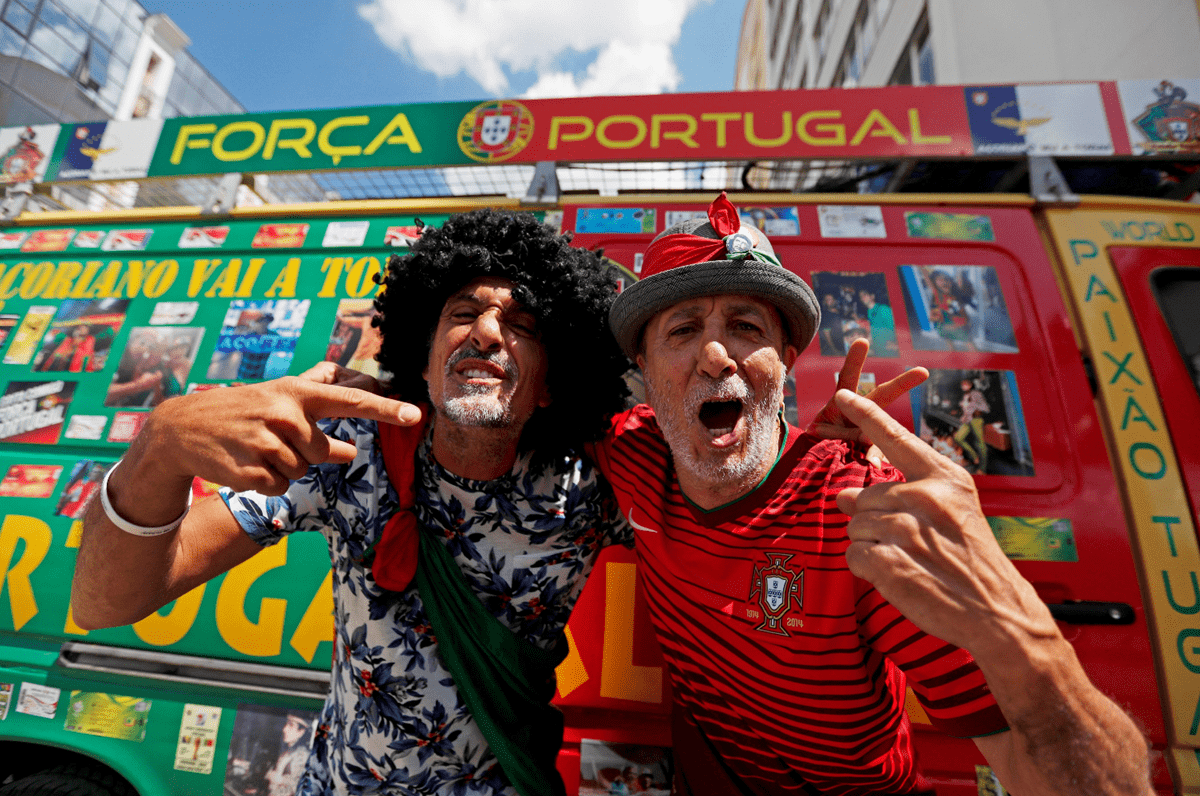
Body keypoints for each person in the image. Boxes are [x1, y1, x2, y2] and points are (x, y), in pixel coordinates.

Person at [595, 193, 1150, 796]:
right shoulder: (633, 453)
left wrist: (1020, 629)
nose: (716, 355)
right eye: (682, 329)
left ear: (783, 364)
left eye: (745, 325)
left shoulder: (861, 512)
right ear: (644, 372)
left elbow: (1030, 760)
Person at [73, 209, 634, 796]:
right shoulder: (348, 452)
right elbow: (104, 605)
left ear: (551, 384)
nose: (487, 332)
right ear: (422, 358)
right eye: (463, 314)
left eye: (523, 325)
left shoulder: (592, 488)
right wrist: (157, 452)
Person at [858, 286, 897, 355]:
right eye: (860, 296)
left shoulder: (883, 309)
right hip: (878, 349)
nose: (862, 297)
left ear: (872, 296)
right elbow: (873, 329)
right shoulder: (869, 312)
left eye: (864, 294)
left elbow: (897, 327)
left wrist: (896, 344)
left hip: (889, 349)